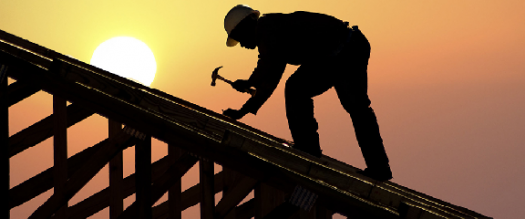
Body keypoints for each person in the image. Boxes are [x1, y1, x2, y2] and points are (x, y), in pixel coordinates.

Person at [221, 4, 392, 181]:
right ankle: (377, 167)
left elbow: (267, 67)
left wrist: (249, 83)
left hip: (345, 51)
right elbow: (270, 79)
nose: (241, 45)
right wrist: (245, 109)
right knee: (306, 91)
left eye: (239, 39)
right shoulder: (272, 31)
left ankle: (309, 149)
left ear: (245, 27)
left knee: (302, 90)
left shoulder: (267, 30)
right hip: (343, 50)